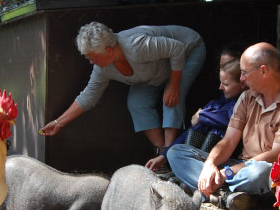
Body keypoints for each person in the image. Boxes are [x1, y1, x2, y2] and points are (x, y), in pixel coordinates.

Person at [166, 42, 280, 210]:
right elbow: (228, 140)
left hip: (261, 170)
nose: (241, 79)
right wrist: (209, 164)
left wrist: (227, 172)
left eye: (244, 73)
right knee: (176, 153)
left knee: (261, 171)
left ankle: (213, 191)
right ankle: (227, 196)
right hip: (239, 167)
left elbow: (277, 154)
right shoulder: (246, 97)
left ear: (264, 71)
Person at [39, 22, 206, 153]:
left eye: (94, 57)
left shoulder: (136, 46)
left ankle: (170, 155)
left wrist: (174, 85)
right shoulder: (102, 67)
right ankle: (161, 152)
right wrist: (58, 123)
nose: (91, 62)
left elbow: (177, 49)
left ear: (109, 51)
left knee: (170, 98)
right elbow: (88, 96)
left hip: (188, 50)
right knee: (136, 102)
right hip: (157, 71)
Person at [146, 58, 247, 173]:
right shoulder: (216, 104)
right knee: (174, 151)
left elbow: (228, 119)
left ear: (242, 83)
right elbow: (193, 129)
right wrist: (163, 156)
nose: (220, 87)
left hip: (226, 162)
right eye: (220, 82)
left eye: (226, 84)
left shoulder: (246, 103)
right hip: (203, 160)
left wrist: (202, 115)